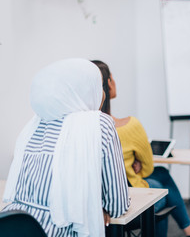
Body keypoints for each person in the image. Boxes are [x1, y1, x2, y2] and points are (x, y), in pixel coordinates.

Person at [1, 58, 130, 236]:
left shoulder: (33, 125)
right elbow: (117, 206)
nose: (102, 93)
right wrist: (94, 206)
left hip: (10, 225)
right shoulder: (99, 125)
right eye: (98, 86)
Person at [92, 60, 190, 237]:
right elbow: (148, 168)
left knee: (162, 175)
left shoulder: (78, 129)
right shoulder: (130, 126)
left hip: (95, 203)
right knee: (161, 189)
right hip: (124, 199)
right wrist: (136, 164)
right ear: (109, 83)